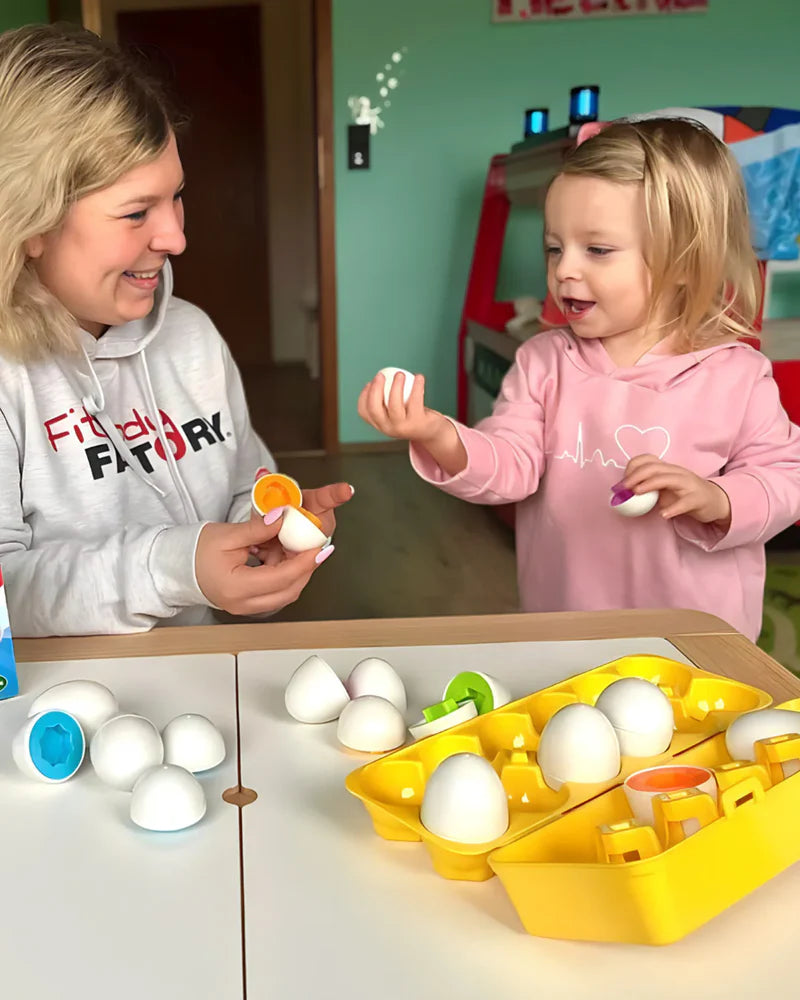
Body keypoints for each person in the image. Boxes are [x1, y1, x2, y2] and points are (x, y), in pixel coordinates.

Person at [359, 116, 800, 641]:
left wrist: (719, 499)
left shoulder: (735, 375)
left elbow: (786, 476)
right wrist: (437, 434)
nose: (565, 268)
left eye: (597, 250)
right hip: (566, 629)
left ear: (684, 260)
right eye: (554, 247)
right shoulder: (544, 361)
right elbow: (510, 467)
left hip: (696, 641)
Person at [0, 23, 350, 637]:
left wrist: (268, 532)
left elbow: (246, 484)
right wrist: (175, 568)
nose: (176, 238)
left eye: (176, 198)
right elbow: (6, 595)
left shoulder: (192, 338)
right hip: (52, 719)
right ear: (31, 221)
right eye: (136, 212)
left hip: (196, 685)